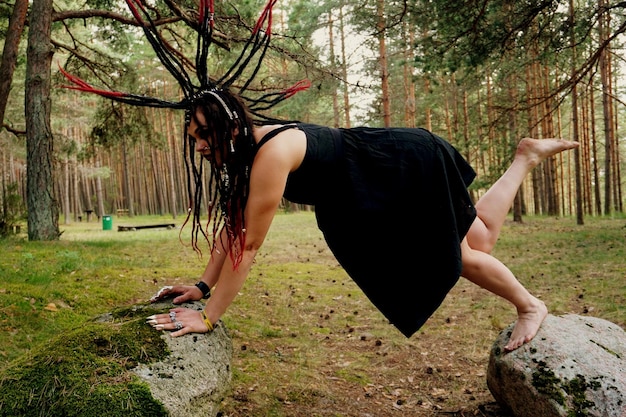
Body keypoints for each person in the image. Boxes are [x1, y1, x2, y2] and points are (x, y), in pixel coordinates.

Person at [62, 0, 579, 351]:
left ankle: (530, 305)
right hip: (368, 187)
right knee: (479, 242)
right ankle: (525, 157)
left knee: (467, 254)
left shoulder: (269, 155)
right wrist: (200, 285)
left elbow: (250, 246)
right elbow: (232, 228)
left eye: (202, 135)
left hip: (397, 166)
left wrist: (211, 313)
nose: (198, 147)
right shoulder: (242, 156)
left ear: (228, 126)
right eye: (193, 138)